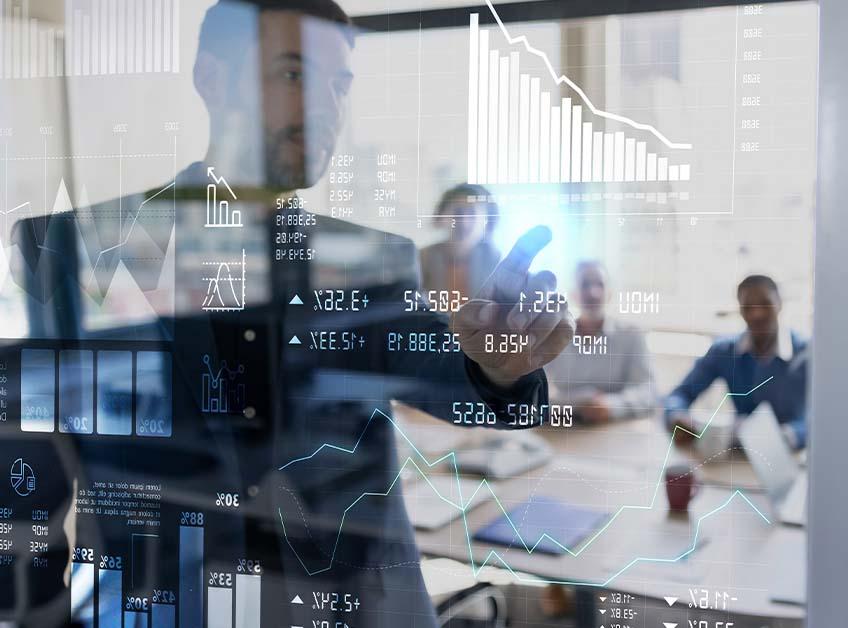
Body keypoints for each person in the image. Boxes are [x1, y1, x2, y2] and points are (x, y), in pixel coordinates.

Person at [8, 2, 573, 627]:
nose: (323, 107)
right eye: (294, 75)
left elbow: (467, 384)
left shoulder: (370, 262)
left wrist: (499, 367)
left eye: (338, 85)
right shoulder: (74, 253)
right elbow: (25, 484)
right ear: (212, 79)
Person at [664, 274, 809, 449]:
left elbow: (822, 418)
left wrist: (787, 436)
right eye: (748, 306)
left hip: (788, 454)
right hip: (737, 456)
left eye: (765, 303)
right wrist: (677, 415)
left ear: (780, 304)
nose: (757, 314)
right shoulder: (724, 351)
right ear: (740, 310)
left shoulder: (806, 353)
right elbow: (680, 394)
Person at [545, 261, 656, 421]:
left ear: (609, 293)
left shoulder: (631, 335)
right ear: (573, 294)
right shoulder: (554, 336)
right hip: (565, 428)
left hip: (615, 428)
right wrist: (580, 400)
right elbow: (531, 395)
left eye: (600, 284)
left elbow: (648, 392)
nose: (593, 292)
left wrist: (612, 405)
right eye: (585, 284)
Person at [420, 183, 503, 298]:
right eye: (458, 212)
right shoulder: (423, 258)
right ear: (442, 215)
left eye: (472, 213)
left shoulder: (496, 261)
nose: (463, 222)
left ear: (487, 221)